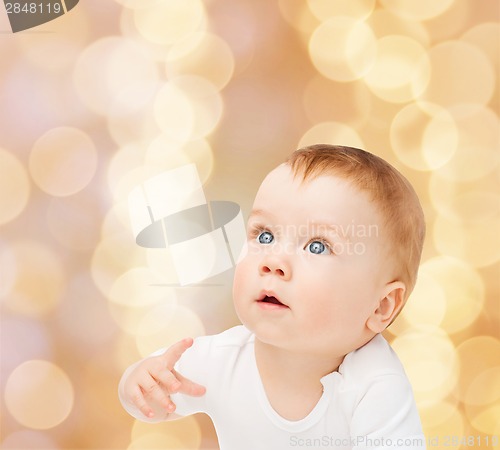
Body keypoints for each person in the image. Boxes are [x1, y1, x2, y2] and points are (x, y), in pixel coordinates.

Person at [119, 144, 427, 450]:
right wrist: (138, 385)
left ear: (381, 306)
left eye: (317, 246)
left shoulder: (375, 386)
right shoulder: (224, 358)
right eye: (265, 236)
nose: (273, 261)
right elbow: (151, 403)